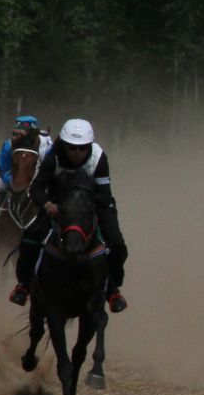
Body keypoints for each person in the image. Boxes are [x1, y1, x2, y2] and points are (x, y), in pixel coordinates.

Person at [8, 117, 127, 313]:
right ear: (63, 144)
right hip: (58, 204)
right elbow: (37, 187)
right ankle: (23, 286)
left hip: (94, 206)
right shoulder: (54, 155)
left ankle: (113, 291)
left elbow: (104, 194)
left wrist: (83, 206)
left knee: (116, 244)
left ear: (89, 146)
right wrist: (47, 203)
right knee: (29, 238)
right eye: (71, 147)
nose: (76, 152)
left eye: (82, 147)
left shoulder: (99, 157)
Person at [0, 114, 53, 253]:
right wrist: (12, 181)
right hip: (13, 177)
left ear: (30, 134)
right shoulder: (9, 145)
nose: (15, 137)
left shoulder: (46, 145)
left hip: (38, 179)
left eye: (19, 134)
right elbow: (3, 168)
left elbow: (50, 167)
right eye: (14, 133)